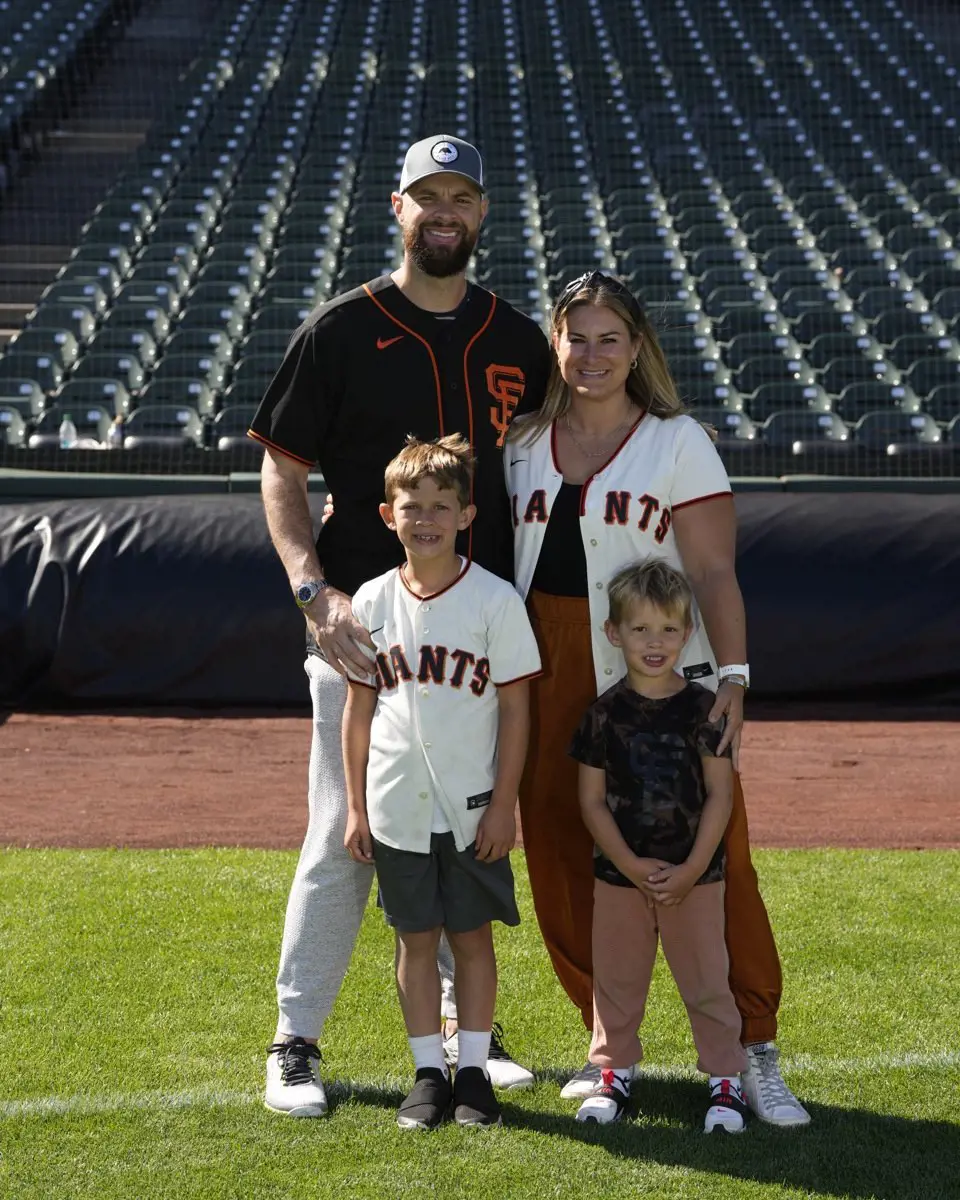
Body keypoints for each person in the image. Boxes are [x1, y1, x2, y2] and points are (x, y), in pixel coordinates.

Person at [248, 134, 551, 1116]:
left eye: (463, 195)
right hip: (362, 630)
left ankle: (470, 1042)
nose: (446, 212)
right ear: (399, 209)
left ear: (483, 212)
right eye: (430, 196)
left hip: (471, 631)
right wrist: (310, 590)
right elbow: (281, 470)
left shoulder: (514, 339)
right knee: (346, 836)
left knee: (468, 831)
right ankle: (295, 1042)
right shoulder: (340, 329)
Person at [505, 270, 810, 1127]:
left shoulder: (678, 441)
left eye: (610, 338)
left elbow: (714, 571)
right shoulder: (523, 441)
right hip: (549, 665)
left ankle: (755, 1052)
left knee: (719, 863)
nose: (592, 354)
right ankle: (609, 1050)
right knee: (564, 854)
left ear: (637, 347)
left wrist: (735, 679)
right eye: (576, 337)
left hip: (663, 677)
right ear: (555, 345)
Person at [342, 434, 541, 1130]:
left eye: (440, 505)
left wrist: (505, 804)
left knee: (473, 938)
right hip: (396, 807)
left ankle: (476, 1072)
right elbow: (359, 711)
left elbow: (517, 709)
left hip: (473, 807)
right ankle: (429, 1071)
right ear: (386, 515)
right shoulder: (369, 601)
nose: (424, 517)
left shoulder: (494, 599)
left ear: (467, 514)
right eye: (411, 505)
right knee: (415, 941)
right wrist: (357, 806)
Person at [570, 559, 748, 1133]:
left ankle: (725, 1083)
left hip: (697, 876)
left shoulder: (706, 710)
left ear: (689, 631)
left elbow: (721, 795)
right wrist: (627, 862)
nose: (655, 642)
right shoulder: (600, 715)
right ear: (613, 633)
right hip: (619, 876)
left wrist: (694, 867)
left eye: (668, 629)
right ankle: (614, 1073)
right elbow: (592, 802)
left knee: (705, 981)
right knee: (617, 981)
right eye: (641, 629)